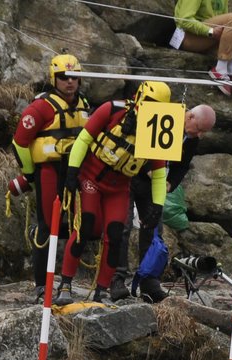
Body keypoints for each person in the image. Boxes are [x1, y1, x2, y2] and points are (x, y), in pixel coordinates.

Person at [56, 80, 171, 306]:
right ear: (138, 98)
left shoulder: (156, 128)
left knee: (115, 235)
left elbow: (158, 174)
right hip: (91, 178)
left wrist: (157, 205)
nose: (151, 110)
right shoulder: (112, 110)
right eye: (148, 103)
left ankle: (102, 290)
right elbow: (84, 139)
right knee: (85, 225)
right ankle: (66, 283)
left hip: (119, 188)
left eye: (157, 106)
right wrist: (72, 172)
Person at [9, 54, 91, 288]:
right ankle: (41, 285)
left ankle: (66, 283)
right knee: (47, 226)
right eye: (63, 77)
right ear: (54, 79)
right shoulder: (41, 108)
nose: (69, 82)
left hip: (77, 172)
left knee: (81, 225)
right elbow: (19, 143)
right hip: (49, 172)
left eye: (74, 77)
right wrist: (30, 175)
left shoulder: (85, 105)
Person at [128, 103, 215, 303]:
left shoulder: (192, 139)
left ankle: (149, 283)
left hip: (158, 185)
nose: (200, 135)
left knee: (153, 232)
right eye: (199, 129)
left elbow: (183, 165)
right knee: (122, 228)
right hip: (134, 176)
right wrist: (149, 169)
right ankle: (115, 279)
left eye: (204, 132)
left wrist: (170, 183)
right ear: (190, 117)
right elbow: (143, 143)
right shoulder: (167, 119)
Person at [171, 0, 232, 95]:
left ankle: (231, 70)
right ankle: (219, 70)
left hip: (210, 37)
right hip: (187, 39)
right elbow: (184, 20)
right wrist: (210, 31)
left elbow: (224, 19)